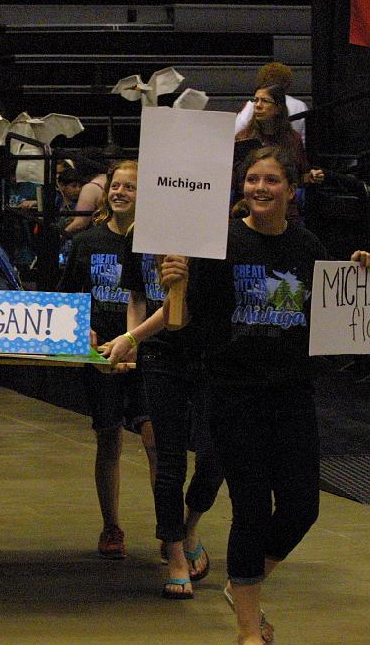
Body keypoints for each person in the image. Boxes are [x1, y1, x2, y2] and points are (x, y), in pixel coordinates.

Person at [160, 146, 370, 644]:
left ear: (291, 189)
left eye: (271, 180)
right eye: (252, 179)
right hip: (232, 394)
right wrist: (177, 285)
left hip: (292, 392)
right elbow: (189, 322)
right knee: (251, 507)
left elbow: (334, 314)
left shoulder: (308, 247)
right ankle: (249, 630)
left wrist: (359, 274)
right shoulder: (220, 246)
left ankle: (243, 582)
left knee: (302, 507)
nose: (260, 188)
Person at [104, 235, 223, 599]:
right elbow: (139, 297)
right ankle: (174, 555)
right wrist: (134, 343)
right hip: (162, 359)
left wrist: (131, 337)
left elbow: (182, 312)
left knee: (215, 455)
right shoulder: (136, 236)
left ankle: (189, 526)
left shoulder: (213, 234)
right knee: (168, 460)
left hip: (211, 354)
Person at [58, 160, 157, 559]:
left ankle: (168, 528)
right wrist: (83, 328)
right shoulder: (88, 243)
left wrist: (138, 340)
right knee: (109, 441)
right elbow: (67, 298)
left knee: (155, 440)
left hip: (146, 355)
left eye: (130, 188)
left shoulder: (155, 244)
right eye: (115, 186)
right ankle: (111, 525)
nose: (119, 193)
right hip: (101, 359)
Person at [234, 62, 309, 142]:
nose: (258, 105)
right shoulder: (300, 106)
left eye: (265, 101)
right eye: (256, 100)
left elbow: (234, 131)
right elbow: (304, 140)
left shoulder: (251, 106)